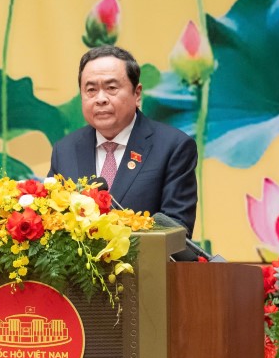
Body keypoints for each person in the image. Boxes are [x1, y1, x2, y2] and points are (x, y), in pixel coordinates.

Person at [48, 45, 198, 235]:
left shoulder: (173, 147)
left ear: (137, 94)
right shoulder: (65, 150)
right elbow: (50, 221)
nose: (100, 99)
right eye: (91, 90)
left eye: (111, 88)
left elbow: (176, 230)